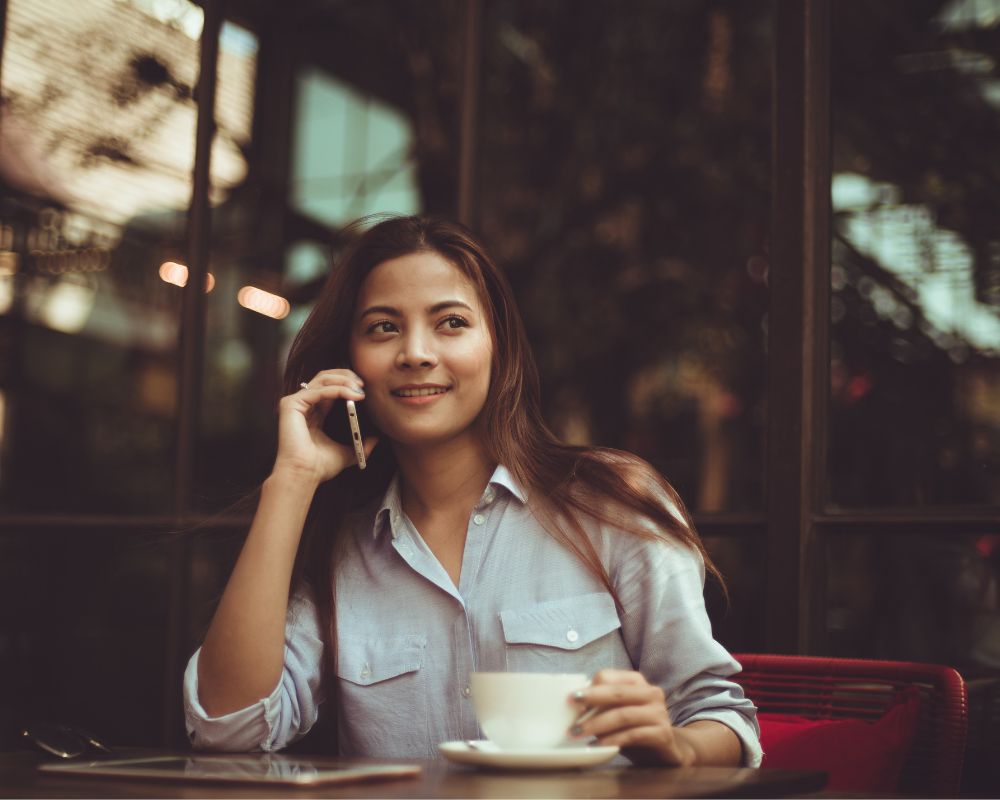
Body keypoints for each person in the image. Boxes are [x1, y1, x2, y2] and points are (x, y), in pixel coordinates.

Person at [183, 215, 762, 767]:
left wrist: (677, 747)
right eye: (384, 327)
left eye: (451, 322)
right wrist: (291, 482)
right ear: (351, 363)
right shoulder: (340, 551)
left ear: (498, 347)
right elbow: (227, 728)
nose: (415, 352)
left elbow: (720, 717)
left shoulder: (608, 504)